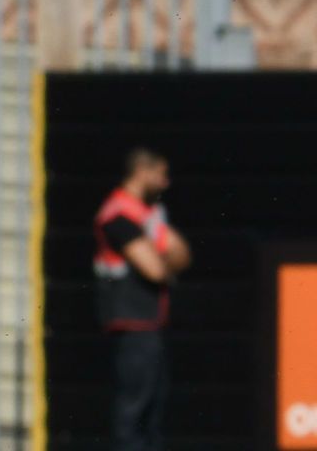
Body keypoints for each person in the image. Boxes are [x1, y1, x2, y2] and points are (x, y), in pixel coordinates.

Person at [95, 147, 188, 451]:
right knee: (131, 416)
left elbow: (182, 255)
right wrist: (164, 261)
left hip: (151, 326)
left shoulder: (147, 214)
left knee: (152, 416)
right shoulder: (118, 214)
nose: (165, 183)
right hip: (131, 328)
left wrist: (164, 261)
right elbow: (154, 269)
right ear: (142, 172)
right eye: (161, 174)